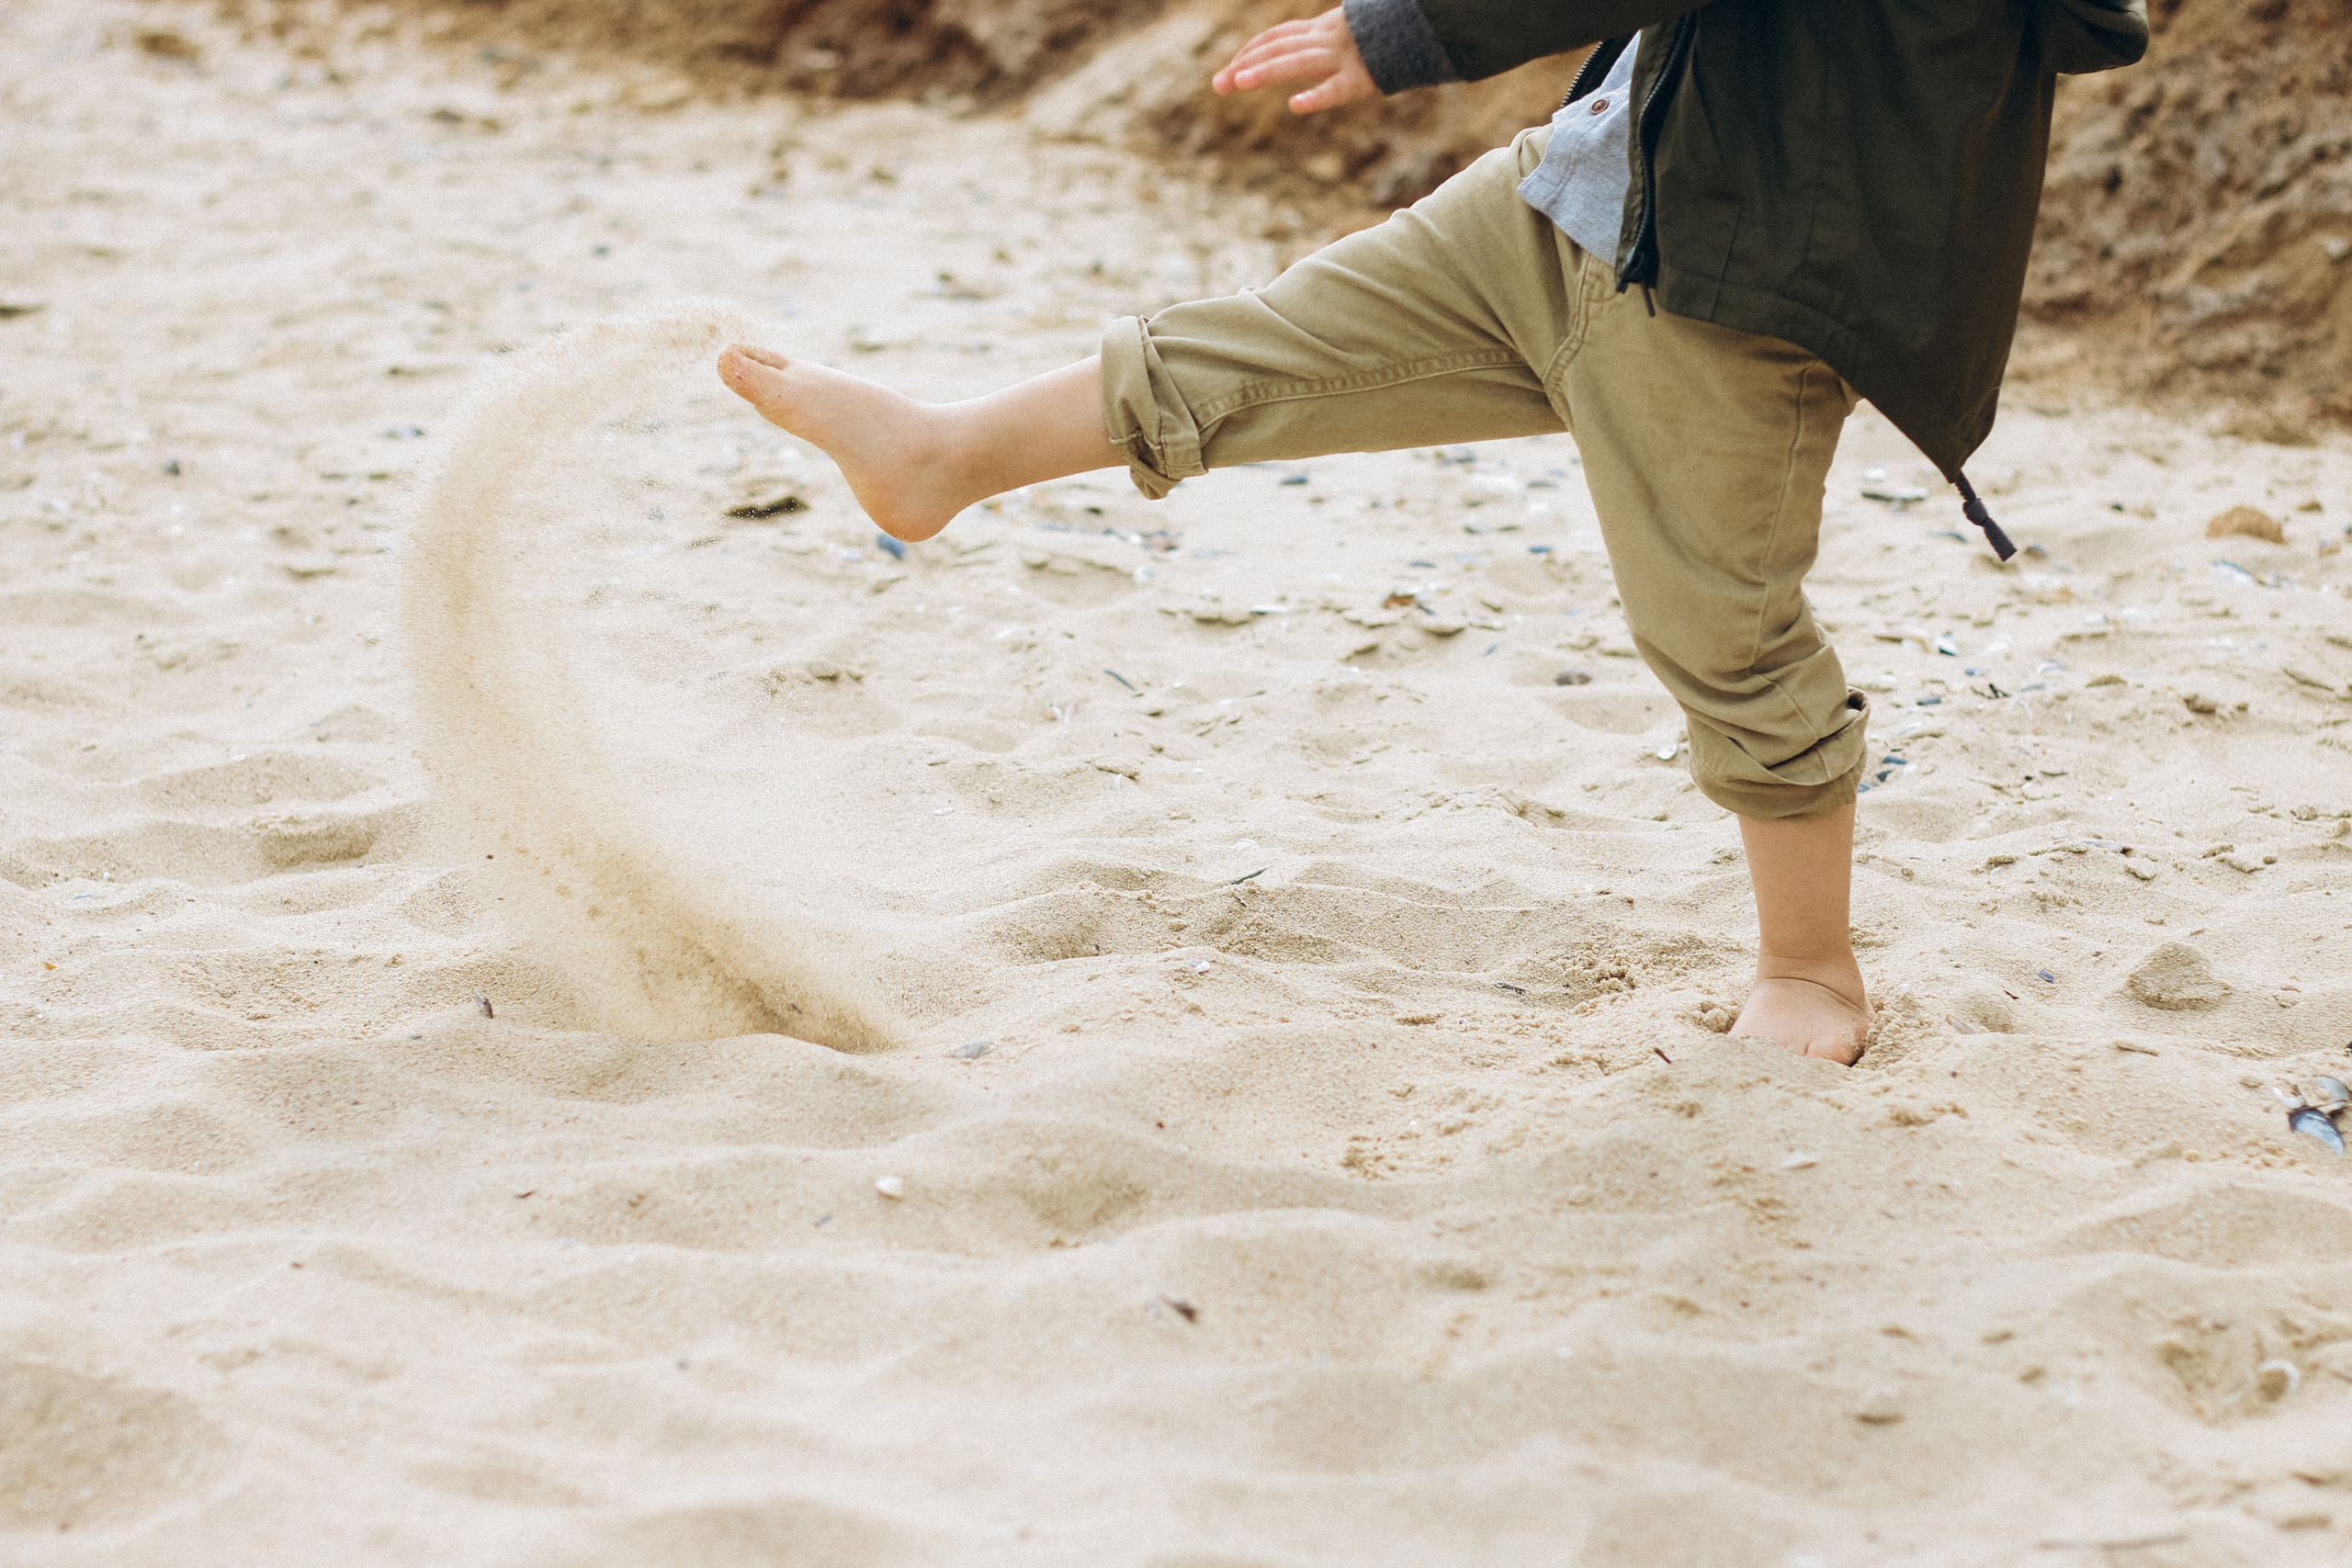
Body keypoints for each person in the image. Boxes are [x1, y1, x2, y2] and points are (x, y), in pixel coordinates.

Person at [717, 0, 2148, 1063]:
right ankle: (944, 454)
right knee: (1270, 345)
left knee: (1721, 626)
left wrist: (1404, 32)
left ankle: (1814, 974)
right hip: (1573, 196)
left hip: (1726, 295)